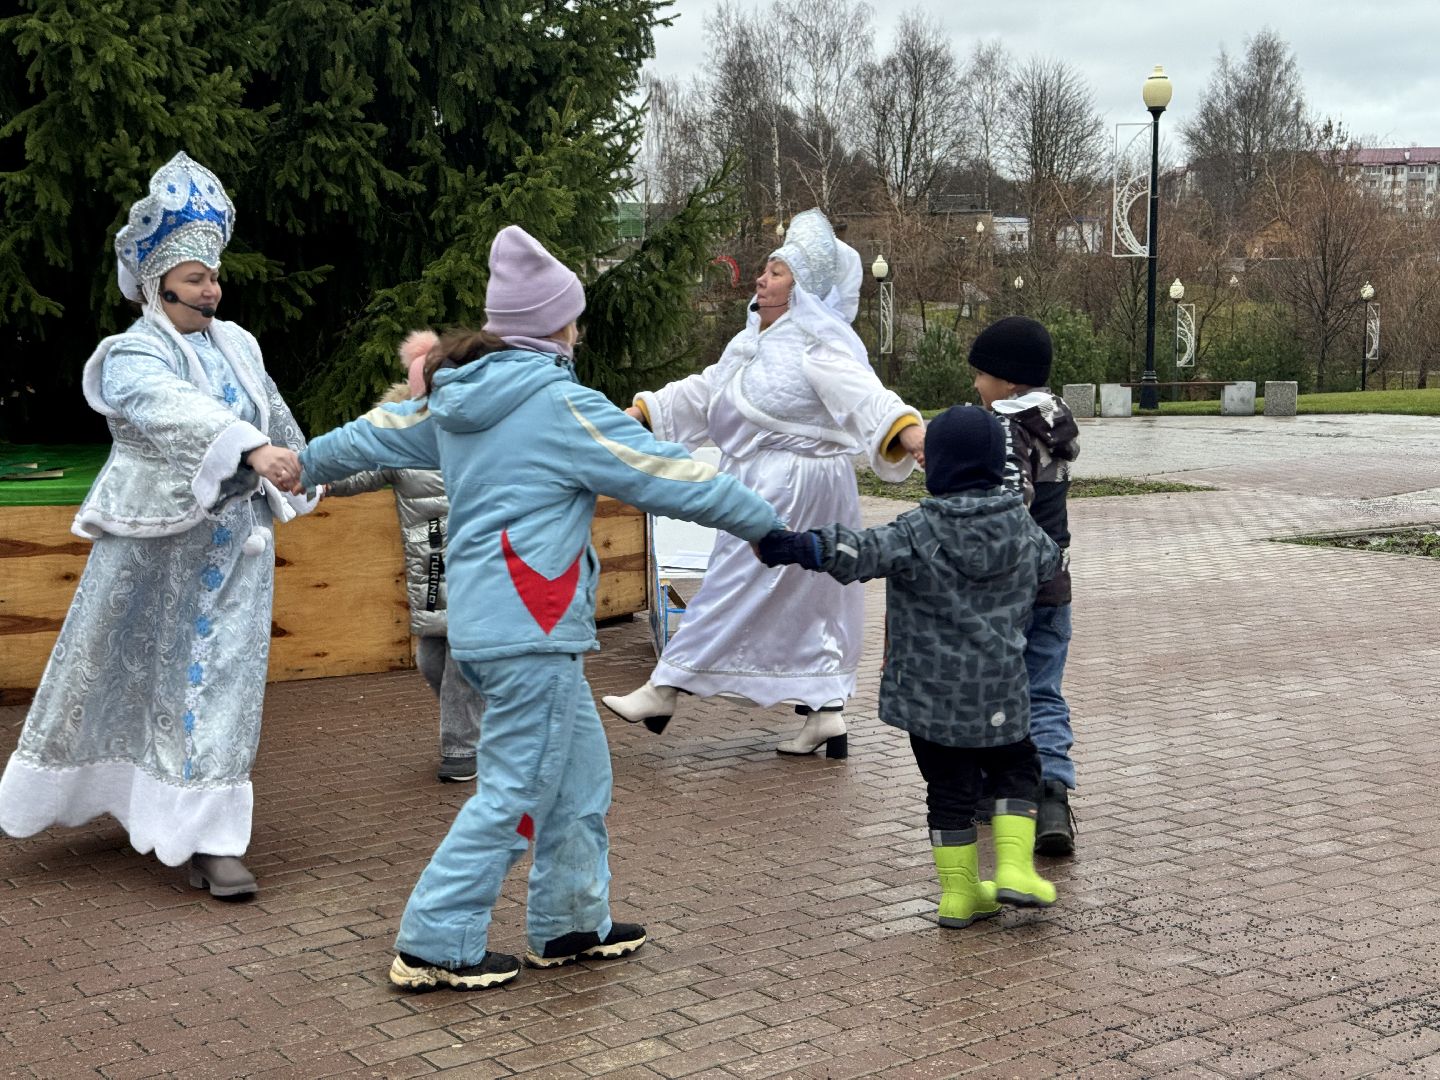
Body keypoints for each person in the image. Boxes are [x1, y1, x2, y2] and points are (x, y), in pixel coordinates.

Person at [293, 225, 781, 991]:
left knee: (580, 778)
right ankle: (435, 940)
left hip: (490, 628)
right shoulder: (562, 405)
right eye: (573, 316)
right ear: (557, 326)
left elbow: (371, 434)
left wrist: (301, 462)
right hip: (534, 631)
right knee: (514, 790)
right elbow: (675, 475)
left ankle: (569, 921)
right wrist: (774, 531)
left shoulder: (454, 402)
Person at [0, 152, 317, 898]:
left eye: (213, 275)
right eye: (197, 277)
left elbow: (278, 420)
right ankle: (129, 802)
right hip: (151, 550)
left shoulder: (240, 343)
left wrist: (314, 462)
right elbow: (173, 411)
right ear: (158, 283)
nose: (213, 286)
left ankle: (209, 837)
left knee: (221, 690)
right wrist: (250, 447)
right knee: (122, 675)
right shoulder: (131, 352)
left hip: (235, 550)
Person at [603, 209, 924, 758]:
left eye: (775, 273)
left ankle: (666, 686)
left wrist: (909, 432)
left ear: (800, 289)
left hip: (798, 482)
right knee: (812, 598)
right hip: (767, 479)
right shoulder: (753, 340)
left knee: (737, 580)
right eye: (765, 269)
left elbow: (865, 396)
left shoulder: (820, 343)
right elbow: (708, 393)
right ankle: (826, 712)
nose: (761, 279)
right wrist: (643, 412)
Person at [756, 405, 1062, 927]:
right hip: (999, 694)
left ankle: (959, 895)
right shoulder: (1025, 533)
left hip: (930, 699)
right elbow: (1051, 564)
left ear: (938, 466)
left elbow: (859, 552)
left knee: (948, 792)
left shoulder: (917, 531)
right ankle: (1013, 868)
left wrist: (796, 545)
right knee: (1017, 769)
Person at [321, 331, 484, 783]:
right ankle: (487, 724)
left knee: (461, 662)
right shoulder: (401, 443)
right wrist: (319, 479)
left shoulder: (480, 435)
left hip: (479, 562)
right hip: (431, 564)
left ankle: (461, 749)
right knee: (431, 662)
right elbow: (361, 470)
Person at [970, 316, 1082, 856]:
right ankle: (1052, 793)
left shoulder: (1007, 431)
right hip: (1055, 585)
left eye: (982, 375)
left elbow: (1010, 509)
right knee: (1043, 691)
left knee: (994, 688)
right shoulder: (1053, 421)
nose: (976, 385)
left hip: (1009, 591)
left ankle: (994, 789)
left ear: (1009, 382)